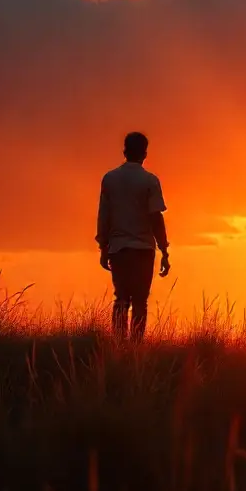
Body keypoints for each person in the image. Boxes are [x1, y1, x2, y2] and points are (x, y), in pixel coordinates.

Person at [96, 131, 170, 341]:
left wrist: (103, 247)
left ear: (124, 151)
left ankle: (119, 346)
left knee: (121, 299)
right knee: (140, 301)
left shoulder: (109, 179)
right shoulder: (149, 180)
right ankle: (136, 349)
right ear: (145, 153)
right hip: (143, 250)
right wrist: (164, 249)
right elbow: (156, 218)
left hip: (118, 248)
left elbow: (104, 215)